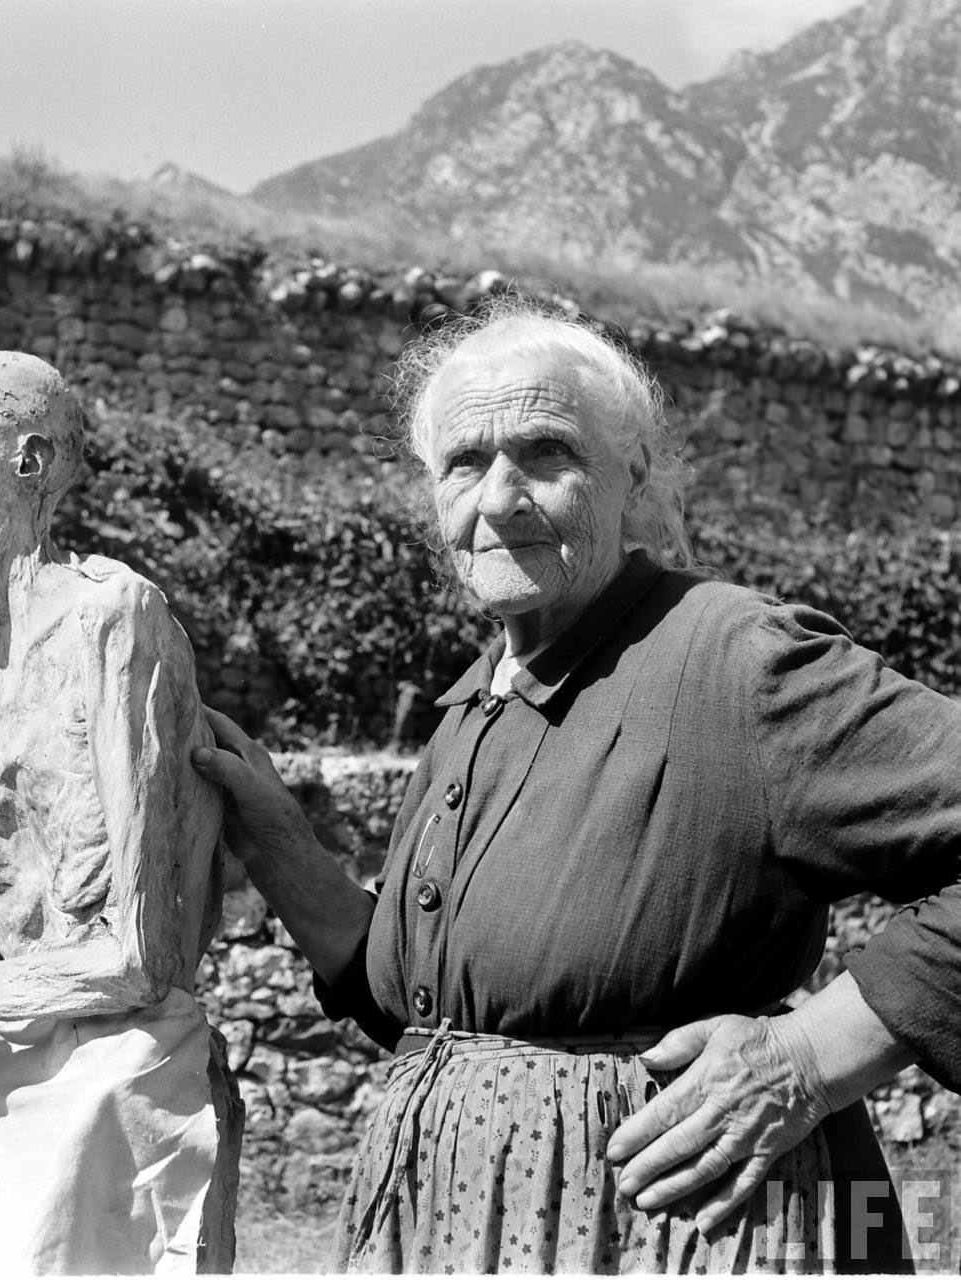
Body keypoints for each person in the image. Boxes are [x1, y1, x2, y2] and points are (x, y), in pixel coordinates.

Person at [191, 299, 961, 1274]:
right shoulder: (478, 697)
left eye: (544, 452)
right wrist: (276, 842)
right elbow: (436, 1008)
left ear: (629, 474)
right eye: (462, 463)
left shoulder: (734, 660)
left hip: (677, 1232)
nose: (498, 497)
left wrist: (805, 1059)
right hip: (463, 1229)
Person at [0, 351, 242, 1274]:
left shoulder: (116, 619)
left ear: (30, 465)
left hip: (129, 1066)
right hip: (21, 1063)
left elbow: (139, 956)